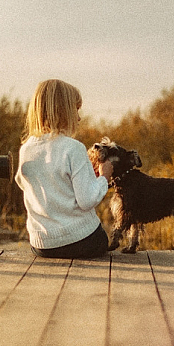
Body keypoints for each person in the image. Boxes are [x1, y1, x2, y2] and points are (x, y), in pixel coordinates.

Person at [15, 79, 113, 258]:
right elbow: (87, 200)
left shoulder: (26, 149)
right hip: (82, 241)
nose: (79, 117)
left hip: (42, 245)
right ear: (63, 111)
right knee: (101, 237)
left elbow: (24, 183)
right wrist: (104, 177)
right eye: (76, 109)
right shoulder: (73, 148)